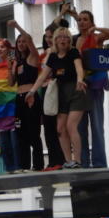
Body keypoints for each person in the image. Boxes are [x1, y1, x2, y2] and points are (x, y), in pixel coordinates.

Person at [26, 27, 89, 169]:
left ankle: (77, 161)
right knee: (60, 128)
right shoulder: (53, 56)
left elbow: (79, 68)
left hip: (76, 90)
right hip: (60, 93)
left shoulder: (73, 52)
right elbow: (43, 75)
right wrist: (32, 91)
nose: (63, 39)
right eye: (60, 37)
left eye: (66, 37)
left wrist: (80, 79)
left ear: (69, 40)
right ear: (55, 40)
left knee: (71, 126)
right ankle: (68, 161)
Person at [73, 9, 109, 168]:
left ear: (91, 22)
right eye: (79, 20)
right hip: (80, 86)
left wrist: (96, 29)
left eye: (85, 19)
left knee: (97, 126)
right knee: (80, 127)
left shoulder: (97, 37)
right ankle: (83, 162)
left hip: (95, 85)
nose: (81, 22)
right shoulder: (74, 40)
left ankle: (99, 163)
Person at [7, 20, 44, 172]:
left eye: (23, 41)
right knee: (20, 131)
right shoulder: (17, 62)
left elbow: (29, 38)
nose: (22, 43)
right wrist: (10, 68)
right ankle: (23, 165)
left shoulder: (33, 57)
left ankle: (38, 165)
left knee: (33, 132)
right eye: (19, 41)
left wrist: (17, 27)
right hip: (19, 100)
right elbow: (10, 83)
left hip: (31, 98)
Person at [39, 23, 66, 171]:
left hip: (55, 89)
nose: (48, 39)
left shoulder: (56, 53)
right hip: (44, 90)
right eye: (46, 36)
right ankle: (52, 160)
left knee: (56, 126)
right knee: (48, 126)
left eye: (51, 36)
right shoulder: (46, 52)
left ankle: (59, 160)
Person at [0, 38, 21, 173]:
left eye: (3, 47)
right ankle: (9, 168)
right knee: (3, 141)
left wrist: (10, 67)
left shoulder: (14, 63)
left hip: (14, 105)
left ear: (9, 49)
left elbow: (11, 83)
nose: (0, 49)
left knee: (15, 137)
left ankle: (18, 166)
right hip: (1, 107)